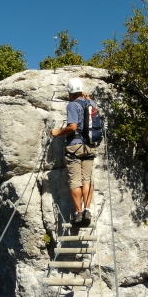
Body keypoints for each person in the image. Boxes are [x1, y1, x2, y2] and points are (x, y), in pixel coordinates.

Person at [50, 78, 97, 225]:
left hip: (74, 147)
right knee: (87, 180)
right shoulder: (92, 103)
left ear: (70, 92)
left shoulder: (72, 105)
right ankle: (87, 210)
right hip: (90, 146)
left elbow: (73, 127)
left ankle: (78, 213)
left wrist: (58, 132)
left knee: (75, 181)